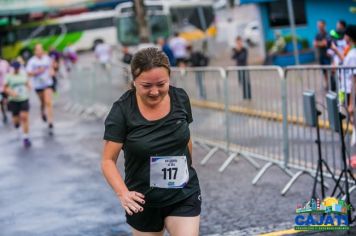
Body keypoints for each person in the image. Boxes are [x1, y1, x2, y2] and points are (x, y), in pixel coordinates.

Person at [102, 47, 201, 235]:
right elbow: (107, 161)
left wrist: (187, 169)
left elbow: (186, 138)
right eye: (146, 86)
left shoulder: (180, 97)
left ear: (170, 77)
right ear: (133, 81)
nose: (155, 92)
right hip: (142, 200)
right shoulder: (122, 111)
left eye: (161, 84)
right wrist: (123, 193)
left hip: (182, 193)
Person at [26, 43, 55, 135]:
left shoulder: (47, 58)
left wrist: (52, 71)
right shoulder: (31, 61)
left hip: (47, 83)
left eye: (41, 49)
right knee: (43, 102)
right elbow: (29, 73)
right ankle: (42, 112)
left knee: (48, 102)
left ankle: (50, 121)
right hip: (38, 85)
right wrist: (37, 71)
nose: (39, 51)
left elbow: (52, 67)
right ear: (34, 51)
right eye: (37, 49)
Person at [4, 61, 31, 148]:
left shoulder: (23, 74)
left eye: (17, 68)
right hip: (14, 100)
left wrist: (29, 87)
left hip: (23, 98)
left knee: (24, 117)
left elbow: (27, 83)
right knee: (16, 119)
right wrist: (11, 92)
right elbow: (5, 87)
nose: (16, 69)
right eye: (15, 68)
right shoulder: (8, 76)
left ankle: (26, 137)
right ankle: (17, 127)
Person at [314, 20, 331, 90]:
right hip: (321, 56)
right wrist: (321, 43)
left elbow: (325, 43)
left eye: (320, 25)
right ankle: (327, 84)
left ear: (324, 25)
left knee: (330, 70)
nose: (319, 27)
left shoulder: (327, 34)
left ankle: (332, 83)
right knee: (324, 71)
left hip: (327, 56)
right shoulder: (317, 35)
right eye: (318, 25)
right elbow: (315, 44)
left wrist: (319, 43)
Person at [0, 57, 10, 124]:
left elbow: (9, 71)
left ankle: (8, 109)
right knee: (1, 102)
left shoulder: (4, 63)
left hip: (5, 85)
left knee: (6, 100)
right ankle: (4, 116)